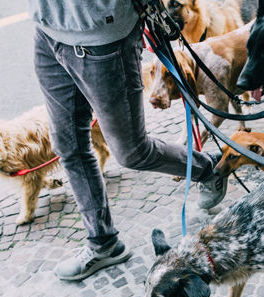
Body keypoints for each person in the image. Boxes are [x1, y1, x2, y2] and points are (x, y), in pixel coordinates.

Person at [29, 0, 227, 281]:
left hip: (103, 37)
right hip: (48, 29)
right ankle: (103, 243)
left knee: (132, 152)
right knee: (67, 145)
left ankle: (207, 168)